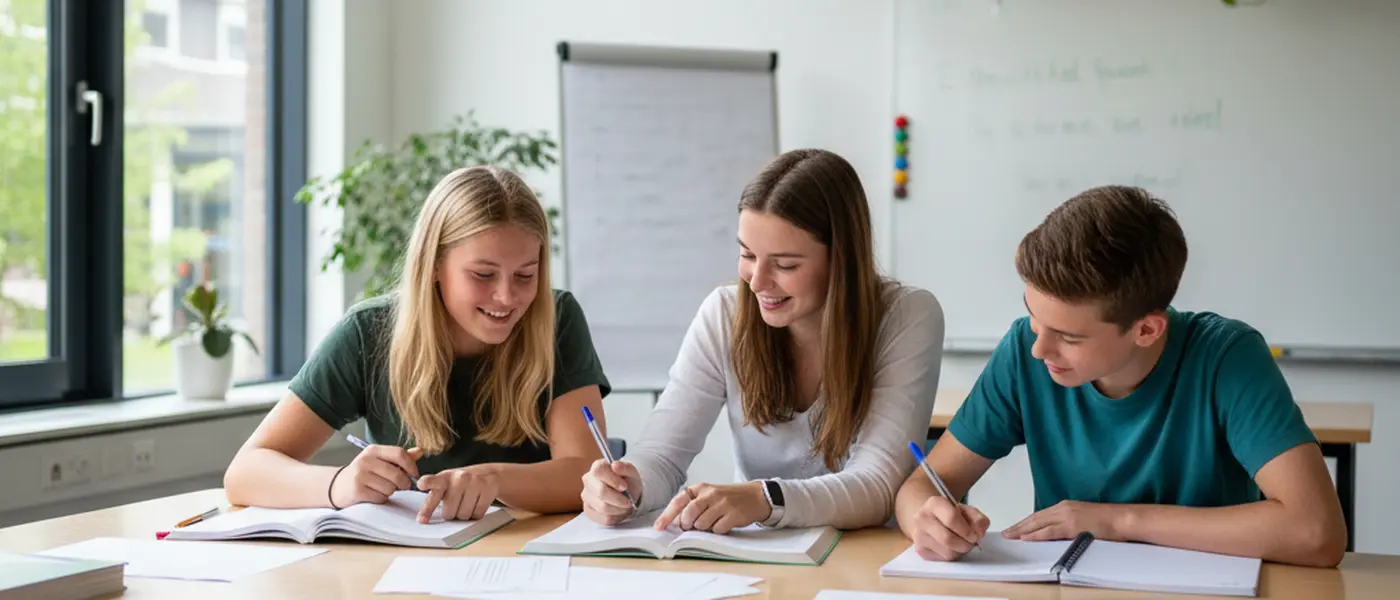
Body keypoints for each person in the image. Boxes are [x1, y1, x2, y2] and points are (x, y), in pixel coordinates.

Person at [894, 185, 1348, 567]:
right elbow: (921, 486)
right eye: (1033, 318)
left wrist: (1115, 521)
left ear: (1146, 330)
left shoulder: (1227, 358)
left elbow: (1317, 531)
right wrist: (926, 519)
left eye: (1069, 337)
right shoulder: (1023, 352)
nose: (1039, 348)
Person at [580, 148, 945, 534]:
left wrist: (763, 499)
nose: (756, 282)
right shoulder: (724, 313)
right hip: (759, 557)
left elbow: (878, 483)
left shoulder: (907, 316)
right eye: (747, 254)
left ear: (840, 260)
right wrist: (629, 485)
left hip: (862, 558)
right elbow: (663, 455)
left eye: (785, 265)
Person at [224, 166, 612, 522]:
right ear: (435, 266)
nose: (506, 297)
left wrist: (494, 480)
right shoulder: (369, 332)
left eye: (525, 275)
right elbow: (245, 472)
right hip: (407, 559)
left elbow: (584, 471)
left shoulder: (556, 320)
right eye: (483, 274)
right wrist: (339, 484)